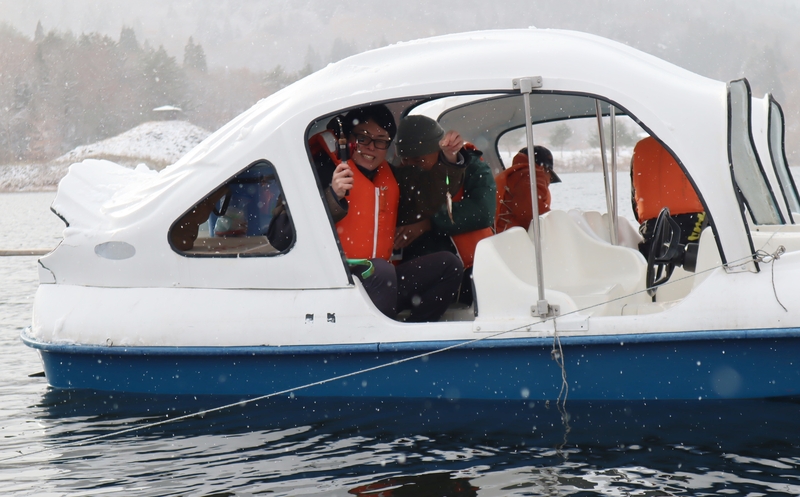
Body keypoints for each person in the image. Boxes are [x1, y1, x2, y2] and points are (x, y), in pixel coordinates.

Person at [313, 105, 464, 322]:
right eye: (363, 138)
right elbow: (283, 232)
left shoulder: (391, 177)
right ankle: (376, 347)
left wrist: (449, 158)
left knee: (448, 265)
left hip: (383, 282)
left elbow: (430, 197)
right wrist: (333, 196)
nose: (371, 147)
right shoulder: (320, 170)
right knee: (381, 271)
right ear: (348, 139)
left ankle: (415, 342)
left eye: (381, 140)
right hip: (339, 285)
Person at [392, 115, 496, 305]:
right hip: (421, 268)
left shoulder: (473, 168)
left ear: (439, 151)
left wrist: (428, 223)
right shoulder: (399, 175)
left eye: (418, 160)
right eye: (404, 160)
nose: (410, 167)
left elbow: (483, 212)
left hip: (472, 269)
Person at [630, 136, 706, 258]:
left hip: (654, 237)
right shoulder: (700, 143)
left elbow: (636, 205)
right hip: (696, 231)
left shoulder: (641, 147)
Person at [494, 145, 561, 233]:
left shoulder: (515, 175)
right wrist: (558, 227)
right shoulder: (533, 175)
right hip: (516, 239)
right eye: (551, 178)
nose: (548, 182)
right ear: (543, 168)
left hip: (502, 235)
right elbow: (531, 212)